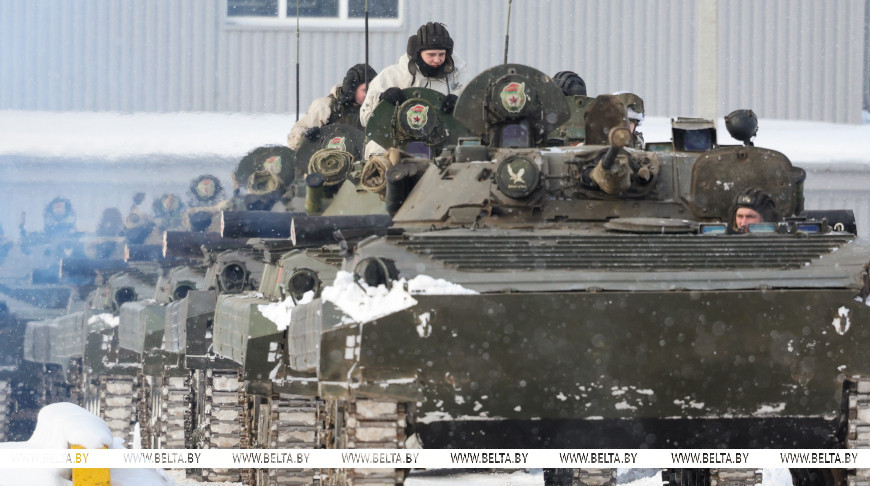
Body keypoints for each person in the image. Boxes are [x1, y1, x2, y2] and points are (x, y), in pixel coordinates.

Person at [359, 22, 471, 157]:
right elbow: (365, 119)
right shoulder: (392, 76)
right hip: (392, 152)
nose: (437, 60)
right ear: (418, 53)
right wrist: (382, 100)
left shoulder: (456, 78)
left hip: (440, 152)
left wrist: (460, 105)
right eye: (431, 54)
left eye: (442, 54)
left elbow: (472, 118)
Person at [287, 63, 377, 150]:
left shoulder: (376, 109)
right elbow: (296, 136)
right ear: (352, 89)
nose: (369, 95)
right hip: (327, 161)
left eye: (372, 90)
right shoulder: (325, 107)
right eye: (365, 90)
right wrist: (306, 136)